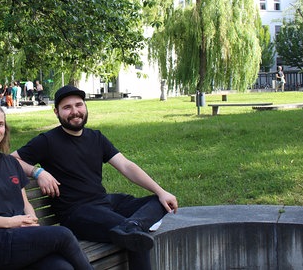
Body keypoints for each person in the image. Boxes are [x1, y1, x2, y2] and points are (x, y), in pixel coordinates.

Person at [11, 85, 178, 270]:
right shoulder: (47, 141)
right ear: (56, 112)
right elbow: (11, 160)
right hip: (76, 213)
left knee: (159, 202)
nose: (75, 112)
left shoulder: (96, 137)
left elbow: (126, 165)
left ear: (85, 107)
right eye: (67, 107)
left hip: (104, 202)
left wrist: (161, 191)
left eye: (79, 105)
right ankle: (132, 227)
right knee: (135, 238)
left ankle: (132, 225)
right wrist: (38, 172)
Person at [0, 103, 93, 270]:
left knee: (62, 267)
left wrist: (32, 223)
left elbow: (25, 203)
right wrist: (11, 222)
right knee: (63, 234)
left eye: (0, 124)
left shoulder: (11, 162)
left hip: (21, 237)